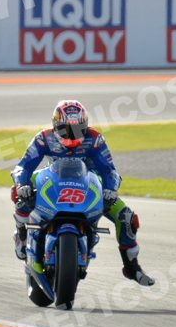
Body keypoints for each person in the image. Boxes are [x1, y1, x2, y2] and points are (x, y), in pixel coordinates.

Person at [10, 100, 155, 286]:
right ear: (55, 126)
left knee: (127, 218)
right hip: (54, 180)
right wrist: (22, 184)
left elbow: (109, 170)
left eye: (77, 129)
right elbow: (22, 167)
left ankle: (132, 267)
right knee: (20, 192)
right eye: (66, 130)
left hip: (89, 184)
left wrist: (111, 189)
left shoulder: (95, 139)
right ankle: (21, 235)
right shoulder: (43, 138)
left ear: (85, 126)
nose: (71, 135)